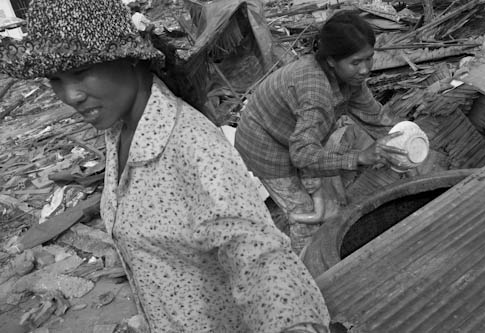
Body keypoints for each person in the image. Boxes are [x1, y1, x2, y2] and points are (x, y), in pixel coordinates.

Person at [0, 0, 330, 332]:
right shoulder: (119, 128)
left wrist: (291, 323)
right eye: (54, 79)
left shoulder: (191, 145)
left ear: (130, 59)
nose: (70, 95)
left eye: (80, 71)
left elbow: (255, 252)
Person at [234, 11, 407, 254]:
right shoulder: (315, 91)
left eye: (369, 58)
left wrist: (405, 140)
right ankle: (311, 274)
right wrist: (360, 157)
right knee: (309, 220)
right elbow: (303, 156)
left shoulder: (351, 79)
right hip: (266, 146)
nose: (365, 69)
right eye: (356, 62)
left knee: (327, 203)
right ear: (331, 61)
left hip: (299, 137)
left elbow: (374, 116)